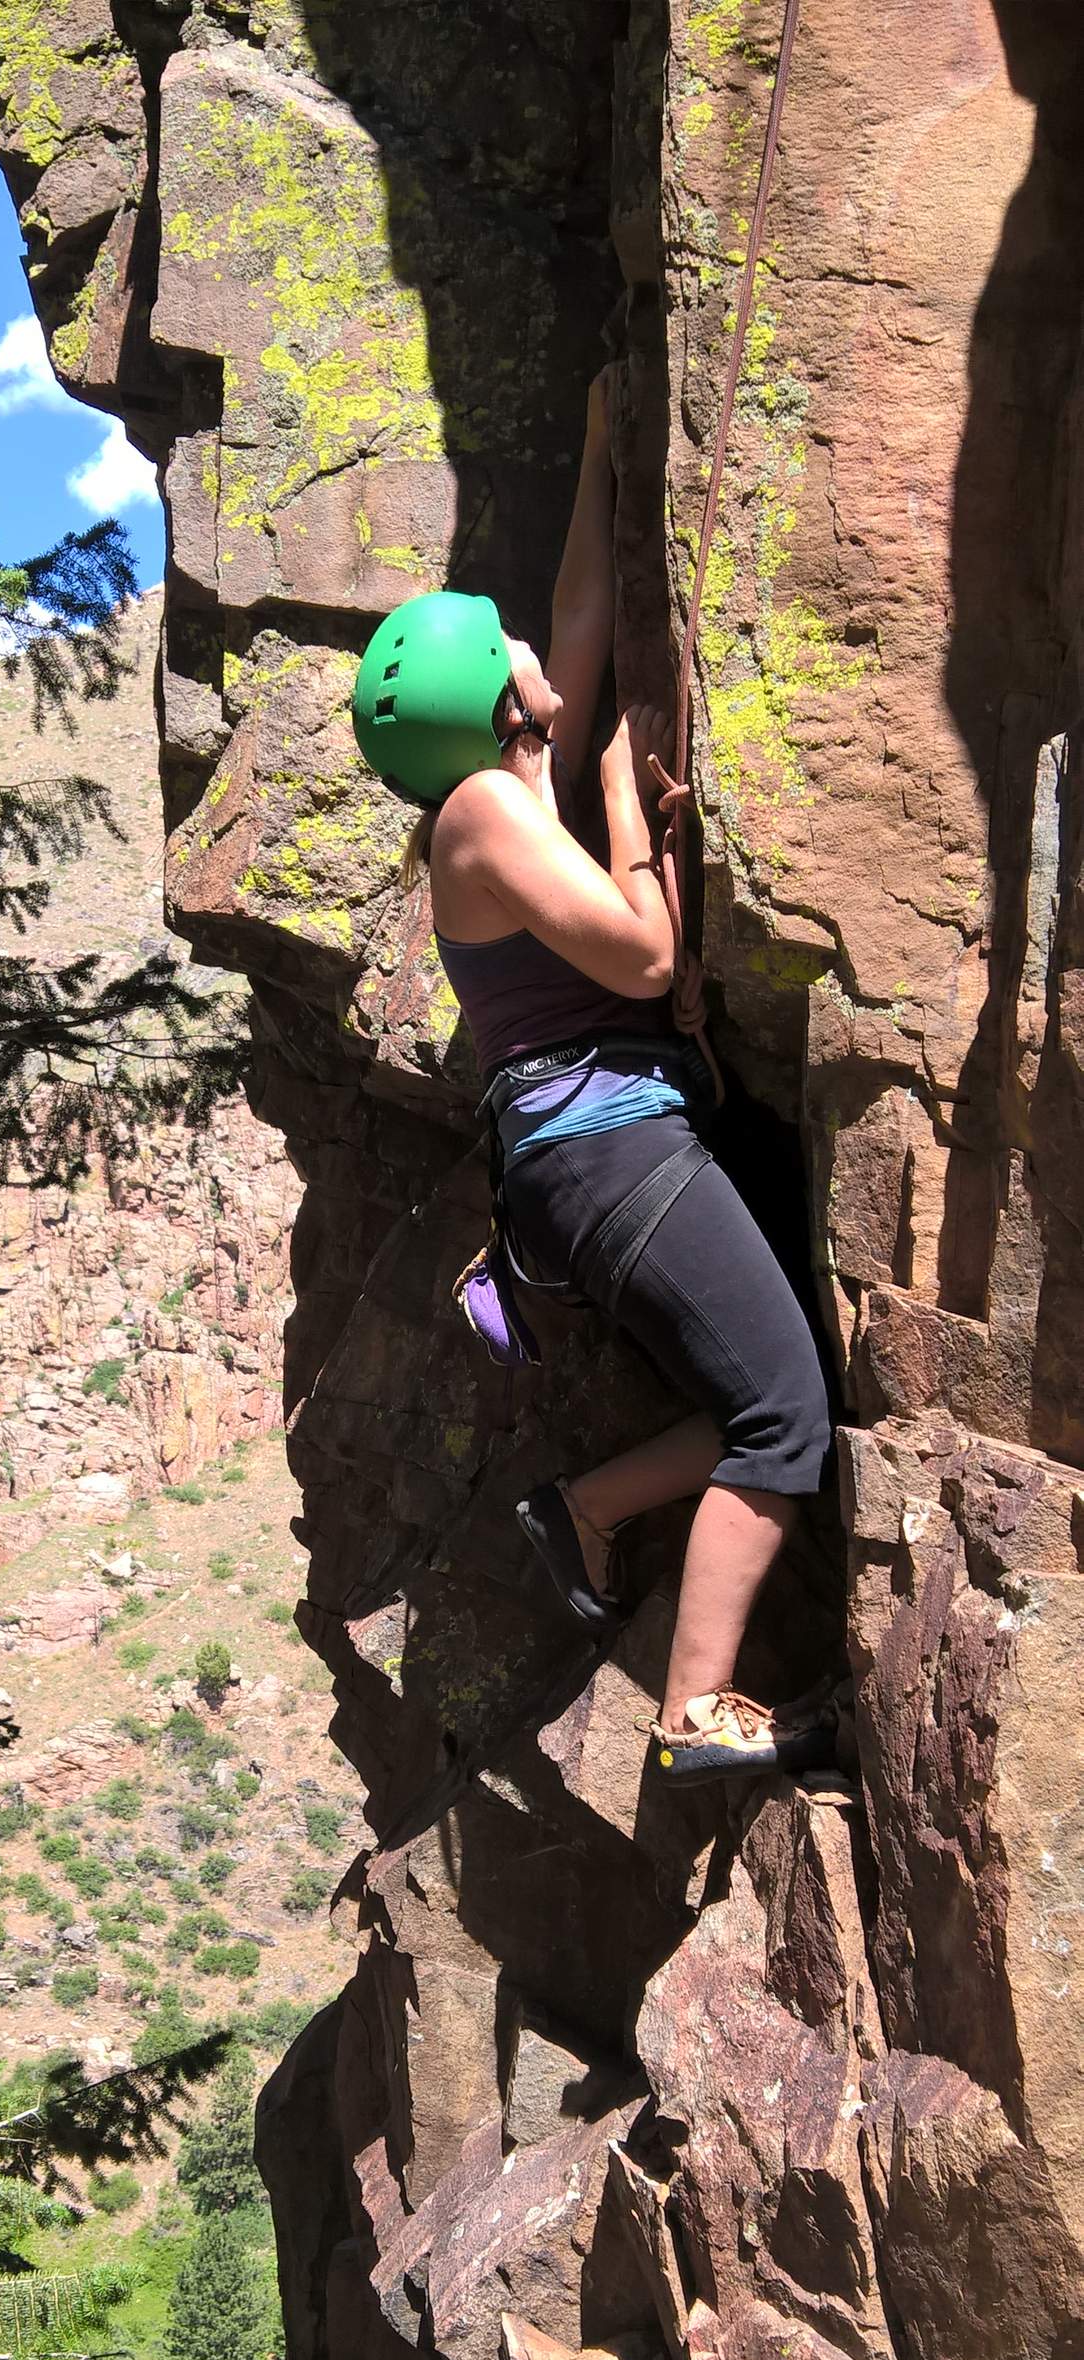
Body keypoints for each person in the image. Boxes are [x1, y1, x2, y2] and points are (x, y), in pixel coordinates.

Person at [350, 371, 834, 1782]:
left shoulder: (494, 797)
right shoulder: (490, 816)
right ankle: (692, 1709)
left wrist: (607, 440)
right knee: (784, 1412)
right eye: (502, 654)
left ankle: (587, 1511)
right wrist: (629, 805)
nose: (532, 652)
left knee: (767, 1375)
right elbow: (637, 954)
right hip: (611, 1154)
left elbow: (571, 620)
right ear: (485, 702)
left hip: (595, 1158)